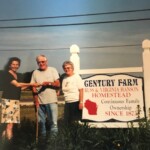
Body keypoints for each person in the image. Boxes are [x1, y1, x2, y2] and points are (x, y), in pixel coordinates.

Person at [1, 57, 40, 141]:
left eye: (17, 64)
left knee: (9, 125)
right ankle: (9, 143)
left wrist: (31, 86)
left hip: (15, 101)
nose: (15, 66)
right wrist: (31, 83)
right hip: (8, 101)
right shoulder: (7, 74)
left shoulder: (17, 75)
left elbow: (19, 88)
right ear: (10, 65)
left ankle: (4, 142)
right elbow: (17, 85)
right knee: (9, 125)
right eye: (13, 64)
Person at [30, 55, 60, 138]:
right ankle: (42, 142)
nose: (41, 63)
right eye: (39, 62)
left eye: (42, 61)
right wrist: (36, 101)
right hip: (40, 102)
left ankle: (54, 143)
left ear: (46, 61)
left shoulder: (53, 70)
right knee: (41, 123)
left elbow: (58, 84)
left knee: (53, 123)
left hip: (51, 101)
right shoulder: (35, 72)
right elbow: (33, 87)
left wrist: (48, 83)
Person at [61, 60, 84, 125]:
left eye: (68, 68)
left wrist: (81, 102)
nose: (66, 69)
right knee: (67, 122)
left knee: (76, 122)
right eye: (65, 68)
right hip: (67, 103)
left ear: (72, 68)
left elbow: (81, 90)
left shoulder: (77, 77)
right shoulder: (64, 78)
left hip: (75, 102)